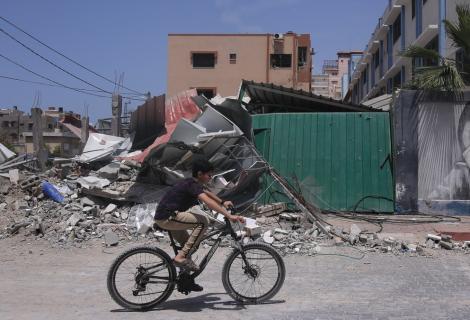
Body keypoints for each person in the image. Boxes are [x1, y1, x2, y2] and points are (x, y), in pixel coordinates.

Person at [154, 159, 245, 274]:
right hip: (167, 217)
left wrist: (222, 202)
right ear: (200, 174)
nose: (211, 177)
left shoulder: (193, 183)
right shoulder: (192, 185)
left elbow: (206, 192)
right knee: (203, 222)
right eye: (209, 175)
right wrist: (229, 215)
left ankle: (185, 279)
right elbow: (207, 201)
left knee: (190, 246)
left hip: (165, 216)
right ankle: (180, 258)